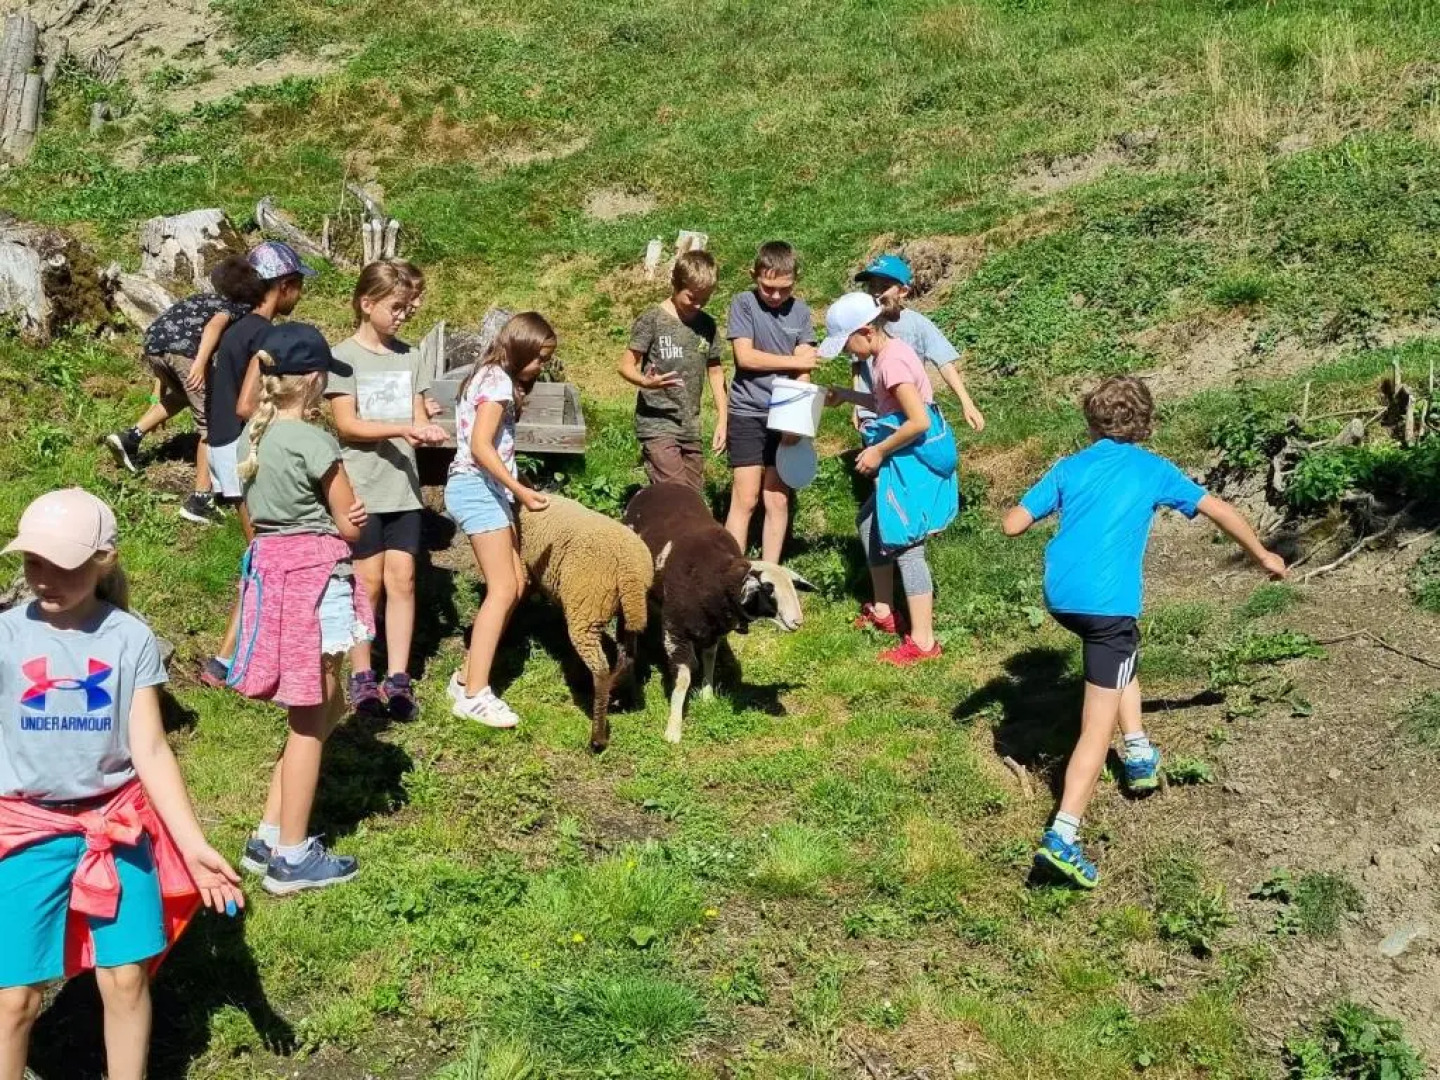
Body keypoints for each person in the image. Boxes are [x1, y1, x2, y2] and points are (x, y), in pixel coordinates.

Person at [1002, 376, 1287, 889]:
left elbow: (1013, 524)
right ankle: (1063, 836)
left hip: (1062, 599)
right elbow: (1218, 509)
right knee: (1095, 727)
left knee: (1118, 659)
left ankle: (1136, 751)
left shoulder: (1069, 467)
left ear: (1091, 422)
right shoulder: (1153, 469)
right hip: (1108, 607)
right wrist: (1263, 554)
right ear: (1145, 424)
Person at [0, 489, 244, 1080]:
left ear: (102, 560)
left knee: (127, 979)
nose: (44, 578)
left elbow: (151, 749)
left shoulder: (129, 638)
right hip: (27, 830)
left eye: (62, 565)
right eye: (33, 562)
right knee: (15, 998)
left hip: (118, 824)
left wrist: (192, 846)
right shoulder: (6, 636)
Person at [227, 322, 374, 895]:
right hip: (316, 578)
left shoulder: (253, 438)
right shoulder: (314, 442)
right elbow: (349, 524)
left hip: (274, 575)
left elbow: (253, 515)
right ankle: (291, 858)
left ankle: (268, 834)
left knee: (317, 705)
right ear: (313, 380)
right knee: (311, 717)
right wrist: (355, 519)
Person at [326, 261, 446, 720]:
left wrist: (426, 425)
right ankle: (361, 675)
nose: (403, 315)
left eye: (407, 308)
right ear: (366, 303)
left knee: (403, 579)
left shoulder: (411, 356)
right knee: (367, 583)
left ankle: (397, 677)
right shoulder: (343, 357)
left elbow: (417, 416)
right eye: (395, 307)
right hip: (361, 488)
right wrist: (404, 428)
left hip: (403, 488)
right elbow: (346, 424)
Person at [198, 240, 314, 689]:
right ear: (283, 286)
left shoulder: (237, 328)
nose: (299, 295)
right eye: (298, 285)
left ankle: (234, 655)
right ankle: (229, 659)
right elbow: (250, 404)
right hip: (243, 451)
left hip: (223, 448)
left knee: (262, 553)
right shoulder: (264, 336)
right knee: (264, 556)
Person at [819, 293, 958, 667]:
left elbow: (918, 421)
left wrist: (878, 451)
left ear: (866, 332)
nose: (846, 352)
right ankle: (884, 610)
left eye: (847, 344)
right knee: (869, 521)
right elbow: (887, 405)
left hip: (912, 460)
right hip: (905, 455)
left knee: (907, 544)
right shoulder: (886, 355)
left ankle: (924, 642)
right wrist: (847, 395)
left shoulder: (892, 363)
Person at [443, 313, 554, 728]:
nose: (541, 367)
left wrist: (514, 487)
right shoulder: (497, 382)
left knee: (517, 583)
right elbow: (480, 447)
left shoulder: (490, 376)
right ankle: (476, 695)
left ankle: (465, 678)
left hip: (489, 490)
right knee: (504, 587)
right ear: (520, 349)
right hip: (476, 487)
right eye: (539, 358)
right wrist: (519, 490)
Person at [104, 256, 268, 525]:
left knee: (183, 395)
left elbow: (167, 344)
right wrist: (200, 363)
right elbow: (215, 325)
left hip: (153, 347)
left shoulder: (200, 300)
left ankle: (130, 438)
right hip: (185, 354)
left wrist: (156, 395)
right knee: (210, 423)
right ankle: (200, 500)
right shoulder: (236, 306)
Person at [722, 241, 818, 563]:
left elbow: (806, 368)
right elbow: (745, 357)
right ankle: (732, 572)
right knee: (746, 497)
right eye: (768, 288)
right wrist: (794, 361)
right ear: (754, 275)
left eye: (784, 289)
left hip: (784, 415)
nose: (776, 296)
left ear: (795, 280)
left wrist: (795, 420)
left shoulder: (801, 312)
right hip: (747, 411)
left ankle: (770, 573)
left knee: (777, 498)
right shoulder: (744, 304)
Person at [618, 249, 727, 491]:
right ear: (675, 284)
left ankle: (653, 512)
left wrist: (723, 419)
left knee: (693, 495)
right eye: (692, 297)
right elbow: (625, 365)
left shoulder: (706, 324)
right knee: (675, 491)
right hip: (658, 422)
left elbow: (715, 371)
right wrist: (645, 382)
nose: (698, 305)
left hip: (690, 425)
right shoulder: (653, 319)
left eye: (705, 299)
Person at [850, 254, 985, 441]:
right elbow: (857, 366)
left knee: (904, 450)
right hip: (872, 412)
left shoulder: (917, 324)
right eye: (872, 286)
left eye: (884, 287)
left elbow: (944, 363)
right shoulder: (863, 324)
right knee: (876, 454)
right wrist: (857, 406)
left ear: (903, 291)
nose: (876, 292)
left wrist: (966, 402)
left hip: (907, 410)